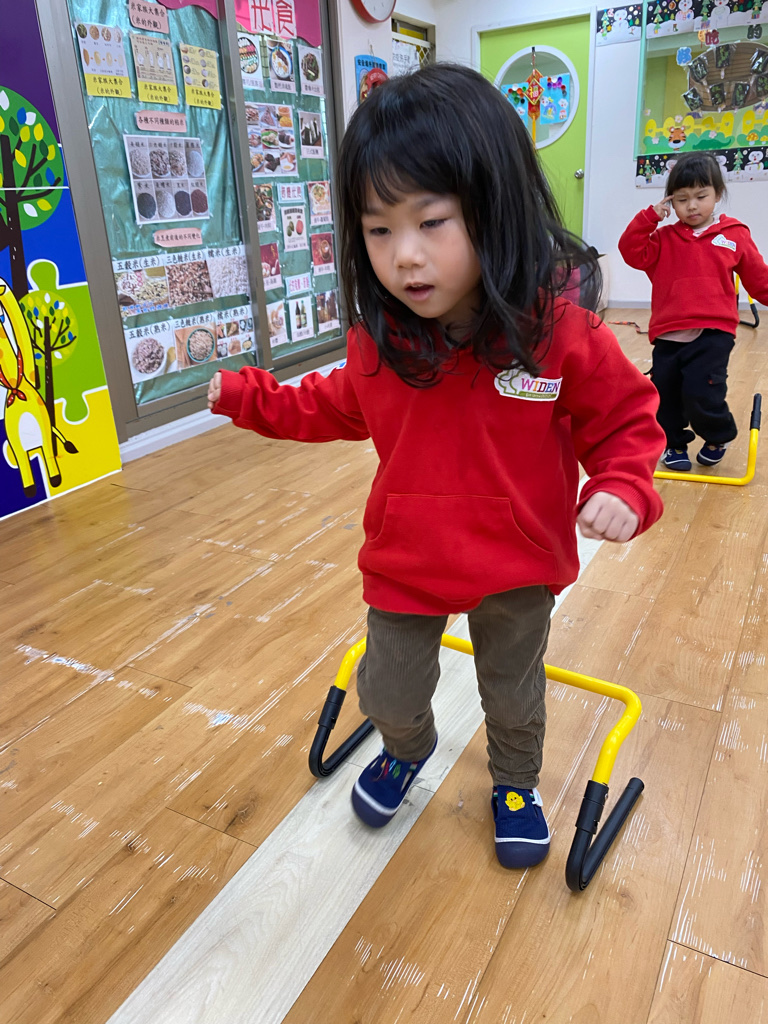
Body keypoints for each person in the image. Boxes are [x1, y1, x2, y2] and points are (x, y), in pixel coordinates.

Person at [208, 64, 664, 869]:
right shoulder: (380, 344)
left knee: (513, 693)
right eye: (379, 230)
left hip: (517, 563)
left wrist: (625, 485)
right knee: (386, 691)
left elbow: (625, 419)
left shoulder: (558, 335)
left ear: (495, 209)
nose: (405, 257)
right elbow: (327, 405)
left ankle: (515, 782)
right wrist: (248, 397)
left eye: (432, 222)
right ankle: (405, 747)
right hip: (408, 561)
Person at [619, 152, 768, 471]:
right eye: (682, 199)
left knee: (703, 392)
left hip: (714, 333)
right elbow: (630, 251)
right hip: (668, 333)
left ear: (717, 194)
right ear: (670, 202)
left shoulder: (734, 234)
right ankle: (673, 444)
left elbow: (759, 279)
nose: (692, 206)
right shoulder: (662, 238)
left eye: (701, 196)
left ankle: (717, 436)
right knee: (665, 395)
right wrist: (649, 218)